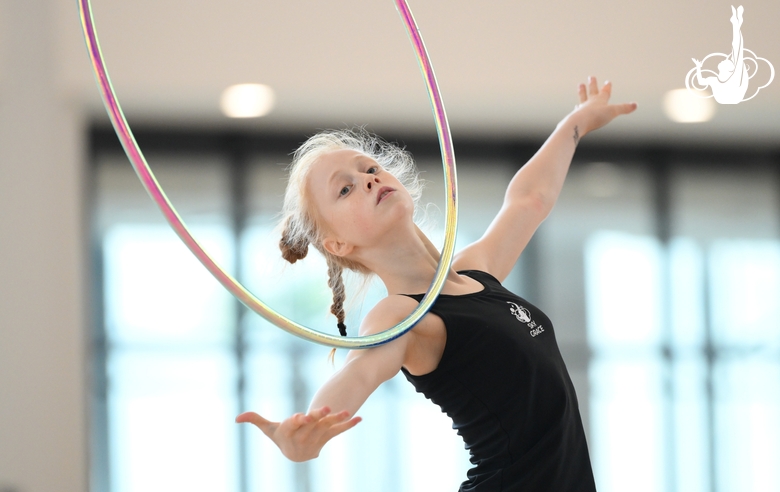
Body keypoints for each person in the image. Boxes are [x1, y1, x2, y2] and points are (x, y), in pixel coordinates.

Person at [236, 77, 637, 491]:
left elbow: (529, 200)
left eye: (369, 168)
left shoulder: (476, 271)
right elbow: (362, 369)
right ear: (337, 243)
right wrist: (306, 434)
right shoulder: (401, 314)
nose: (369, 178)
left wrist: (578, 122)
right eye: (345, 188)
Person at [692, 5, 748, 104]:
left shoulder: (734, 77)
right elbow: (701, 82)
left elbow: (737, 48)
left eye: (726, 62)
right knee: (737, 50)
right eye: (726, 61)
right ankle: (736, 23)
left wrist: (736, 26)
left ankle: (736, 23)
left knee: (737, 50)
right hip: (726, 98)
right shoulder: (715, 80)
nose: (724, 60)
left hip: (733, 97)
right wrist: (698, 67)